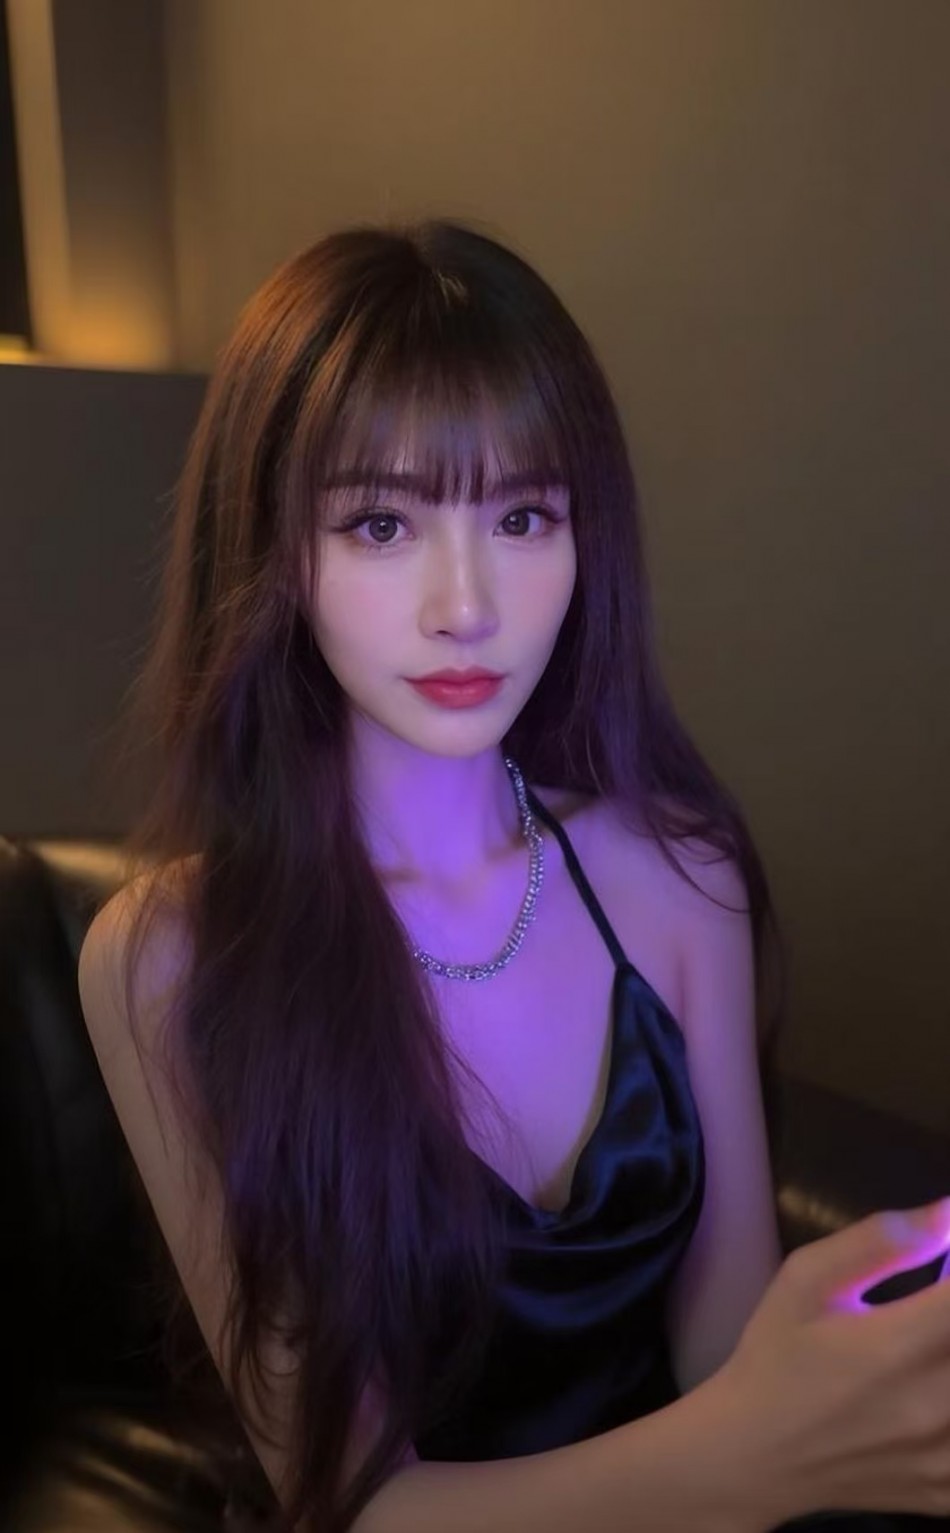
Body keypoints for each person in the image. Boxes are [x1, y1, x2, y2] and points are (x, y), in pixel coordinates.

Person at [77, 218, 950, 1533]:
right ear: (272, 553)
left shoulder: (680, 874)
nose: (467, 604)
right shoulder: (168, 956)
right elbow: (351, 1506)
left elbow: (721, 1353)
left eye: (524, 515)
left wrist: (834, 1369)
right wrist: (762, 1452)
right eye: (381, 522)